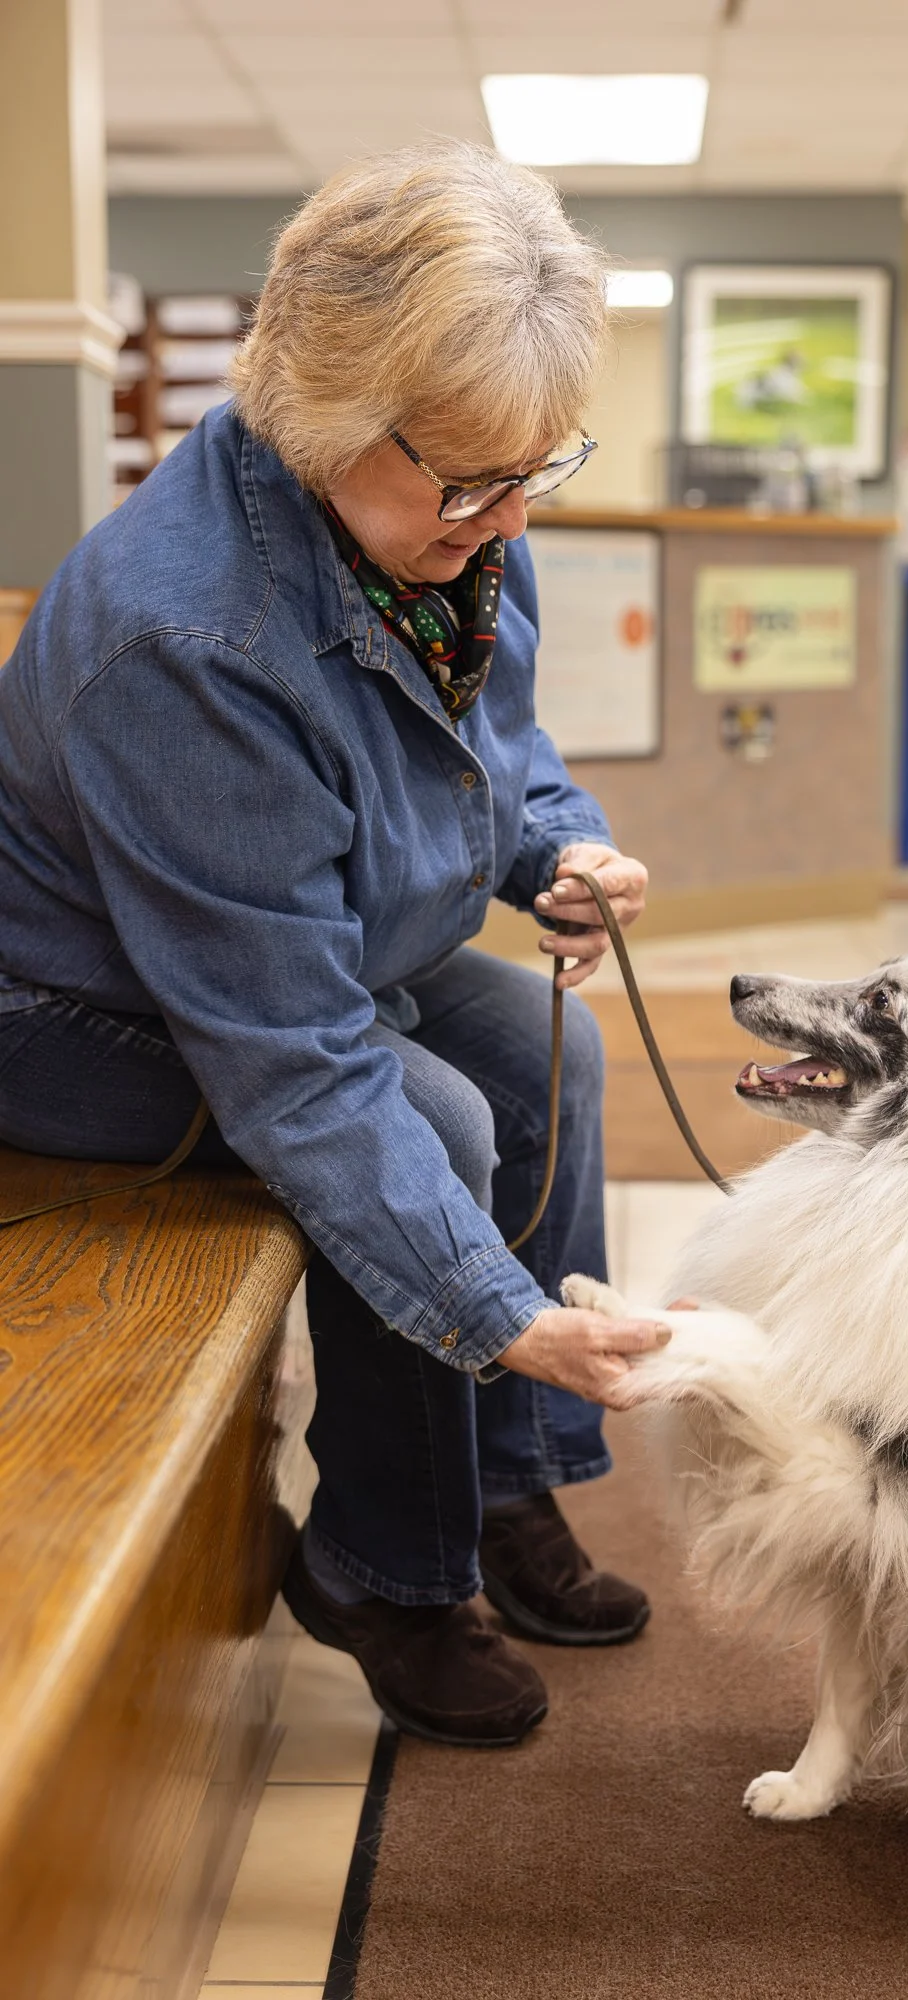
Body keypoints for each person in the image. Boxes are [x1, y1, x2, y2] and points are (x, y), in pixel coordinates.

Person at [0, 142, 673, 1749]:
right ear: (321, 414)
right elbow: (298, 1069)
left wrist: (556, 844)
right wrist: (495, 1306)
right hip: (73, 1009)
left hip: (323, 933)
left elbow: (491, 754)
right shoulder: (183, 639)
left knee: (547, 1047)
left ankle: (503, 1481)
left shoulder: (447, 521)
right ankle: (387, 1566)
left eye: (537, 472)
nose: (507, 519)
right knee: (426, 1120)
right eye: (468, 483)